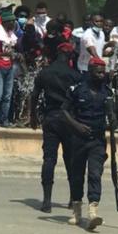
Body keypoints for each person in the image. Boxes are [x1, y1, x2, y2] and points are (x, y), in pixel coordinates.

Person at [62, 57, 114, 231]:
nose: (101, 75)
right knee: (76, 175)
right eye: (98, 71)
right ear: (90, 71)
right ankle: (77, 209)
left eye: (103, 72)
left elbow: (113, 115)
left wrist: (114, 119)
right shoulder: (77, 90)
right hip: (78, 139)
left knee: (95, 173)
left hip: (97, 140)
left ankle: (93, 210)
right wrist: (76, 125)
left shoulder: (108, 93)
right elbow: (64, 110)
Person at [31, 42, 81, 213]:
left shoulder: (45, 72)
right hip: (69, 119)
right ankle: (73, 199)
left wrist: (32, 116)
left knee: (49, 159)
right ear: (68, 55)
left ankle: (46, 200)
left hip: (50, 118)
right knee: (71, 160)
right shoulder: (75, 74)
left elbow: (35, 94)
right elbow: (79, 99)